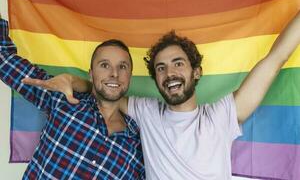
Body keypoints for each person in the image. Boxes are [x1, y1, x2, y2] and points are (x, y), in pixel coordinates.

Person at [23, 11, 300, 179]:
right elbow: (107, 88)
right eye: (161, 68)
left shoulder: (221, 116)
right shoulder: (145, 112)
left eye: (178, 64)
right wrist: (74, 81)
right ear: (156, 80)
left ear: (197, 72)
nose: (170, 73)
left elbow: (275, 59)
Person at [0, 18, 145, 179]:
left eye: (122, 66)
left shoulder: (139, 143)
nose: (114, 73)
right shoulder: (62, 98)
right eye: (104, 65)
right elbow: (3, 58)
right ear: (91, 74)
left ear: (130, 76)